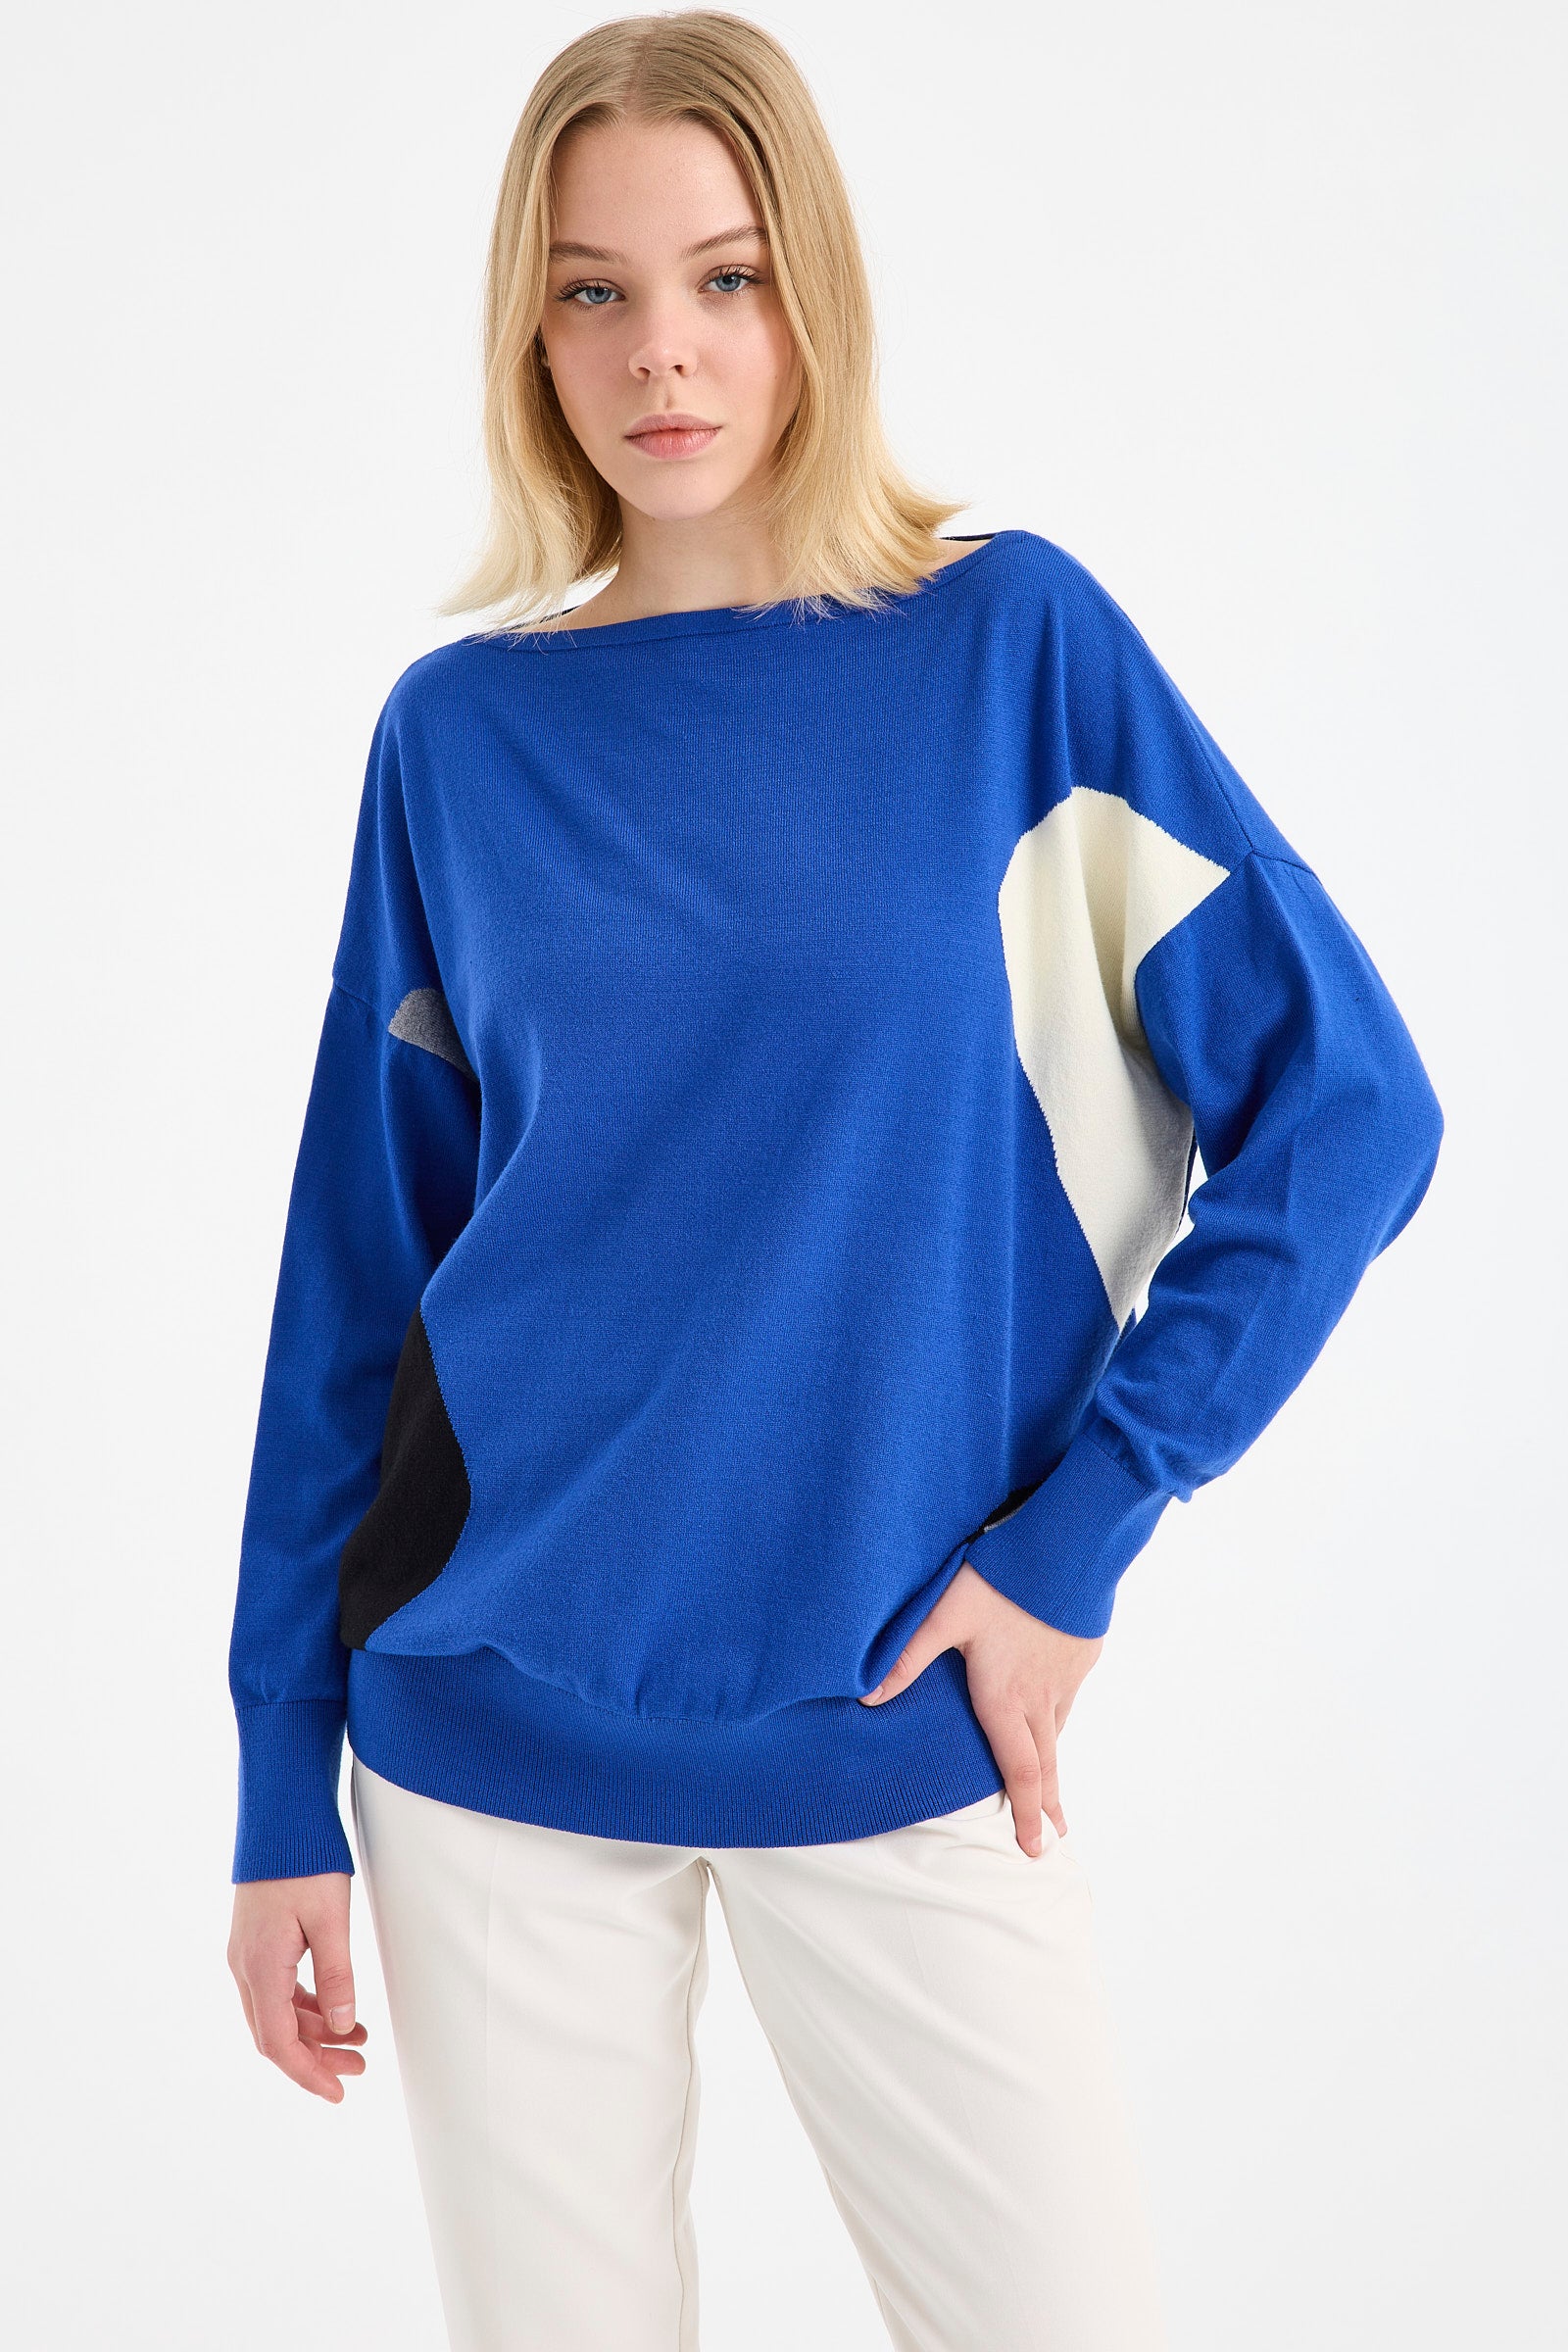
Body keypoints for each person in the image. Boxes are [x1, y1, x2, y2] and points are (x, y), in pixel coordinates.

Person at [224, 14, 1445, 2349]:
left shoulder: (1009, 651)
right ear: (526, 335)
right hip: (487, 1741)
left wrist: (1076, 1539)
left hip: (894, 1705)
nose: (660, 354)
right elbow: (356, 1294)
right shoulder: (458, 740)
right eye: (590, 293)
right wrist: (283, 1772)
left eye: (724, 277)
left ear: (815, 292)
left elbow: (1348, 1107)